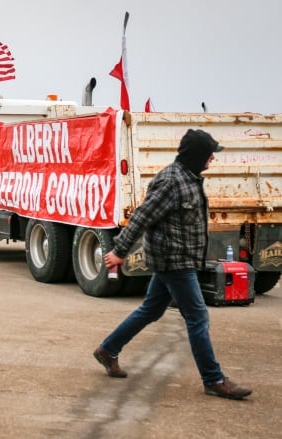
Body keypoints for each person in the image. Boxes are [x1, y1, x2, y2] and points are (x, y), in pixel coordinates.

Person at [93, 128, 252, 400]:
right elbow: (143, 216)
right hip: (174, 261)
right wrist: (120, 251)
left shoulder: (189, 178)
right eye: (209, 154)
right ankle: (213, 379)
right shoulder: (171, 182)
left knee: (151, 309)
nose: (212, 159)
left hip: (179, 258)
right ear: (197, 155)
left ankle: (108, 350)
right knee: (198, 317)